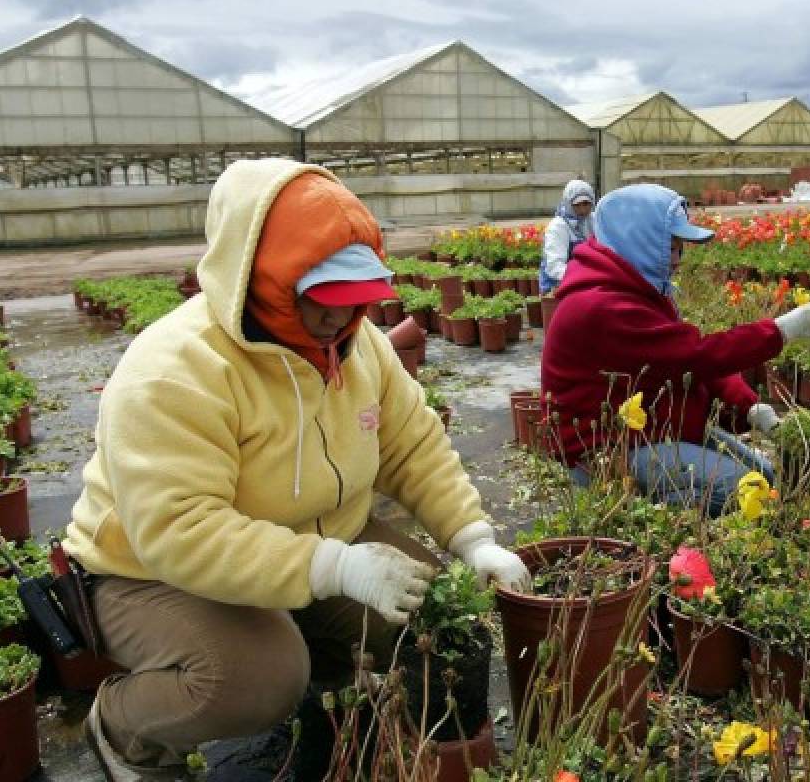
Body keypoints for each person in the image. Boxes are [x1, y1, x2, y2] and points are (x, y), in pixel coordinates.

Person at [63, 159, 530, 780]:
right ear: (258, 277)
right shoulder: (174, 370)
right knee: (257, 676)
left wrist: (474, 540)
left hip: (317, 537)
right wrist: (335, 568)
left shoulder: (357, 348)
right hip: (150, 573)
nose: (343, 318)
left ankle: (327, 678)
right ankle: (127, 729)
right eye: (324, 300)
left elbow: (412, 444)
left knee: (434, 620)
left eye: (357, 297)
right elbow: (180, 530)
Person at [541, 183, 810, 518]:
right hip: (606, 449)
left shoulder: (634, 286)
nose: (676, 260)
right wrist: (781, 331)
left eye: (678, 249)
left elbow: (686, 364)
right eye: (668, 247)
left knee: (764, 478)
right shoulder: (600, 305)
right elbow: (696, 355)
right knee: (743, 487)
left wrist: (752, 408)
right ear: (637, 240)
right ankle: (640, 518)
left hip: (656, 429)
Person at [539, 179, 596, 294]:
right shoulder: (558, 226)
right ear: (568, 204)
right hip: (558, 286)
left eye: (586, 203)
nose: (583, 209)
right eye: (577, 205)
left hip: (586, 283)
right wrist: (584, 277)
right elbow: (554, 267)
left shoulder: (592, 220)